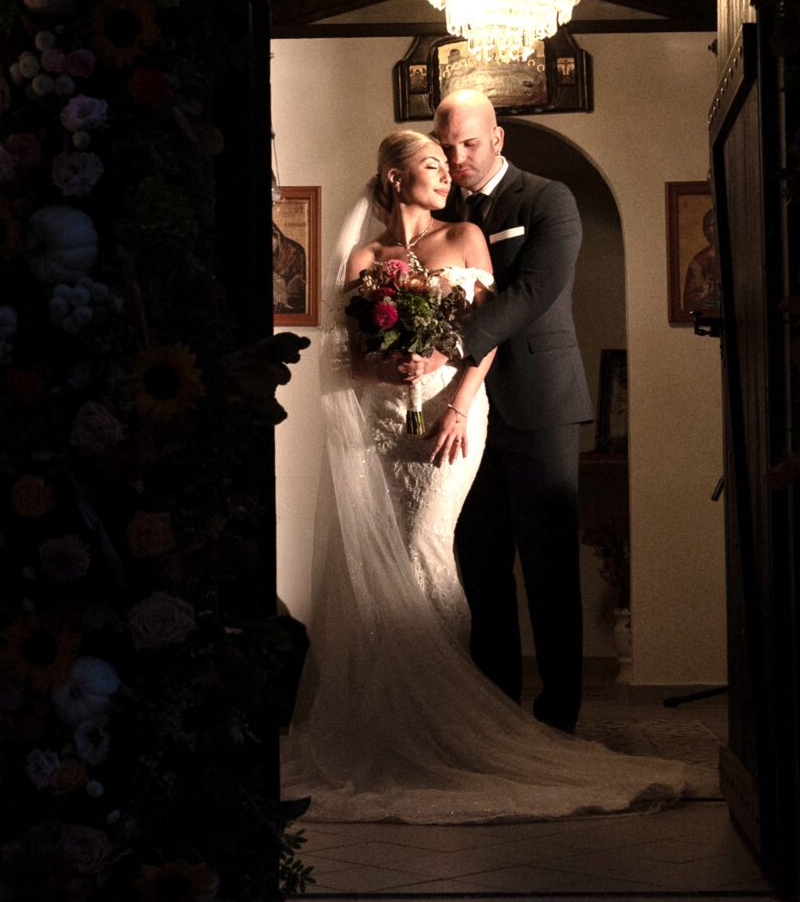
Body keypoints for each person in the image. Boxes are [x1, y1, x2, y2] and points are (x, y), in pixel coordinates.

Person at [280, 129, 689, 823]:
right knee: (390, 561)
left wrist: (459, 404)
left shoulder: (467, 235)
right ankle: (397, 722)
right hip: (386, 426)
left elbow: (489, 334)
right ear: (394, 177)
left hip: (456, 415)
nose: (447, 173)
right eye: (432, 163)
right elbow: (350, 356)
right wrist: (391, 366)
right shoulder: (365, 257)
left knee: (428, 552)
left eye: (451, 160)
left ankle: (452, 720)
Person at [423, 89, 595, 733]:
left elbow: (533, 290)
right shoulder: (440, 207)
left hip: (539, 402)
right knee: (479, 561)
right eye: (446, 147)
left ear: (498, 139)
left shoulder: (548, 199)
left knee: (549, 568)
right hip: (462, 411)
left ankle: (558, 720)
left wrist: (451, 345)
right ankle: (496, 715)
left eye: (469, 143)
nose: (457, 158)